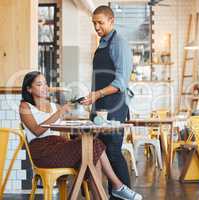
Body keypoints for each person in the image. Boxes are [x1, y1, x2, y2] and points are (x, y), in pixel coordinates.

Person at [19, 71, 142, 200]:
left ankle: (112, 190)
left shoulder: (54, 106)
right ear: (29, 89)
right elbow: (36, 130)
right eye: (39, 84)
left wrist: (83, 108)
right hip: (43, 152)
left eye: (45, 83)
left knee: (93, 150)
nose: (44, 87)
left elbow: (67, 124)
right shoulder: (25, 106)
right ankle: (118, 187)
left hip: (58, 145)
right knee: (94, 146)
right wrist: (59, 113)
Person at [81, 5, 133, 199]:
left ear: (112, 21)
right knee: (97, 151)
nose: (96, 27)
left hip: (115, 105)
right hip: (100, 105)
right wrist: (92, 98)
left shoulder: (119, 43)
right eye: (94, 23)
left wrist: (97, 95)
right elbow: (102, 78)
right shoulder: (102, 43)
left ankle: (125, 194)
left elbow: (120, 82)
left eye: (100, 22)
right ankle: (104, 195)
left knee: (112, 150)